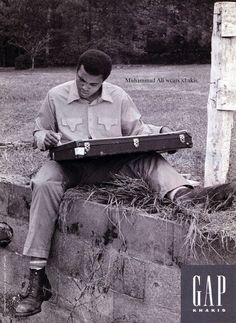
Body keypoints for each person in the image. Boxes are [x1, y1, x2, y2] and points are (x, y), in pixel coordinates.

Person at [15, 49, 236, 317]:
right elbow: (39, 130)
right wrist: (44, 137)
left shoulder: (118, 97)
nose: (85, 87)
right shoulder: (55, 95)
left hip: (110, 166)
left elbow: (137, 132)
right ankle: (37, 280)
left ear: (104, 81)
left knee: (148, 159)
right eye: (81, 79)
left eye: (92, 84)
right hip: (67, 166)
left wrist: (164, 135)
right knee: (43, 182)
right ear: (77, 71)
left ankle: (184, 196)